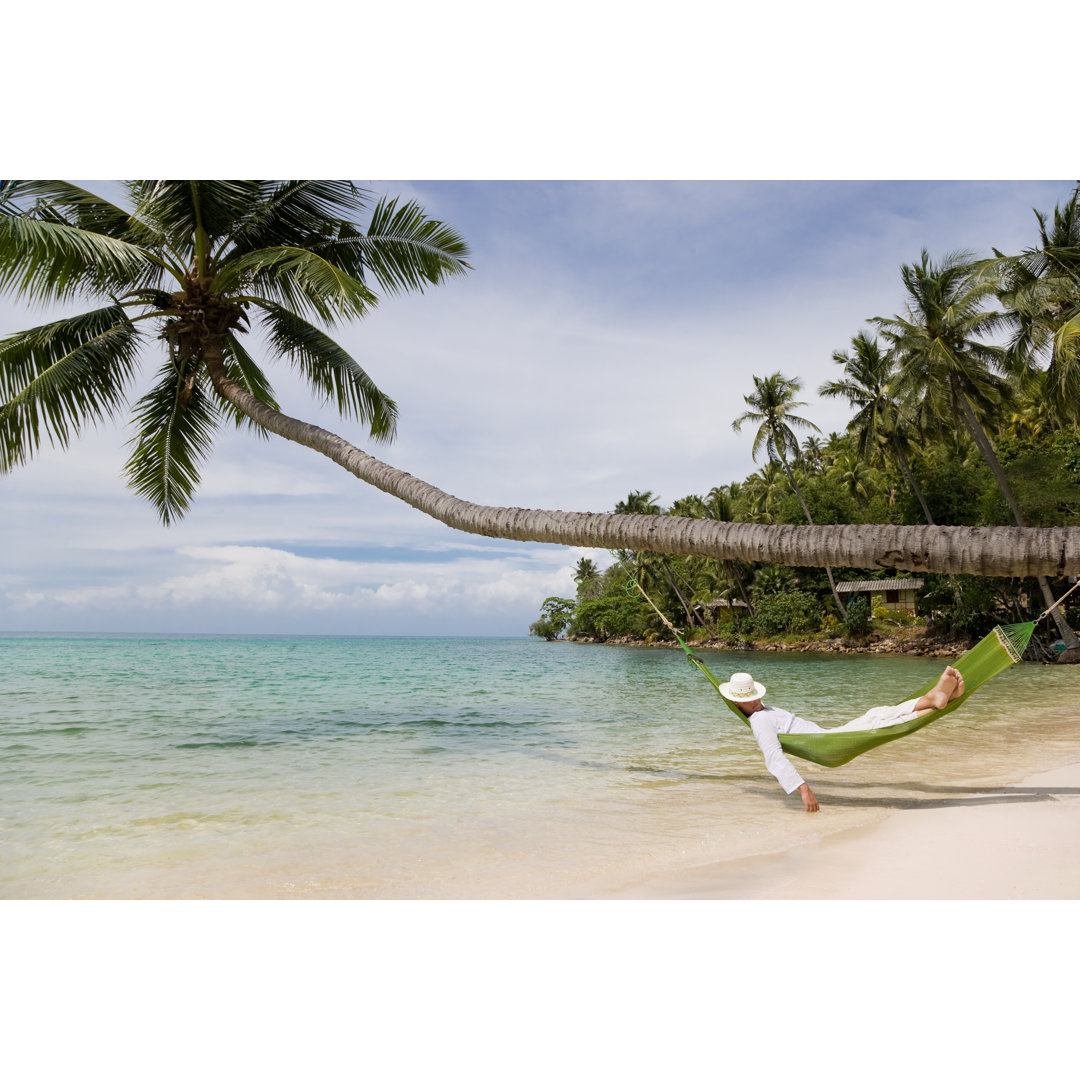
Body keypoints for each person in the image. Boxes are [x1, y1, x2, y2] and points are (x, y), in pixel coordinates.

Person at [719, 667, 966, 812]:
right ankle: (936, 701)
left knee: (875, 716)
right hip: (828, 744)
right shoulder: (760, 721)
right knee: (878, 722)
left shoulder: (764, 711)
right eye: (749, 699)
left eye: (755, 696)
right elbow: (773, 757)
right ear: (736, 703)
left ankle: (936, 699)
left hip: (829, 737)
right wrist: (803, 789)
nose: (756, 701)